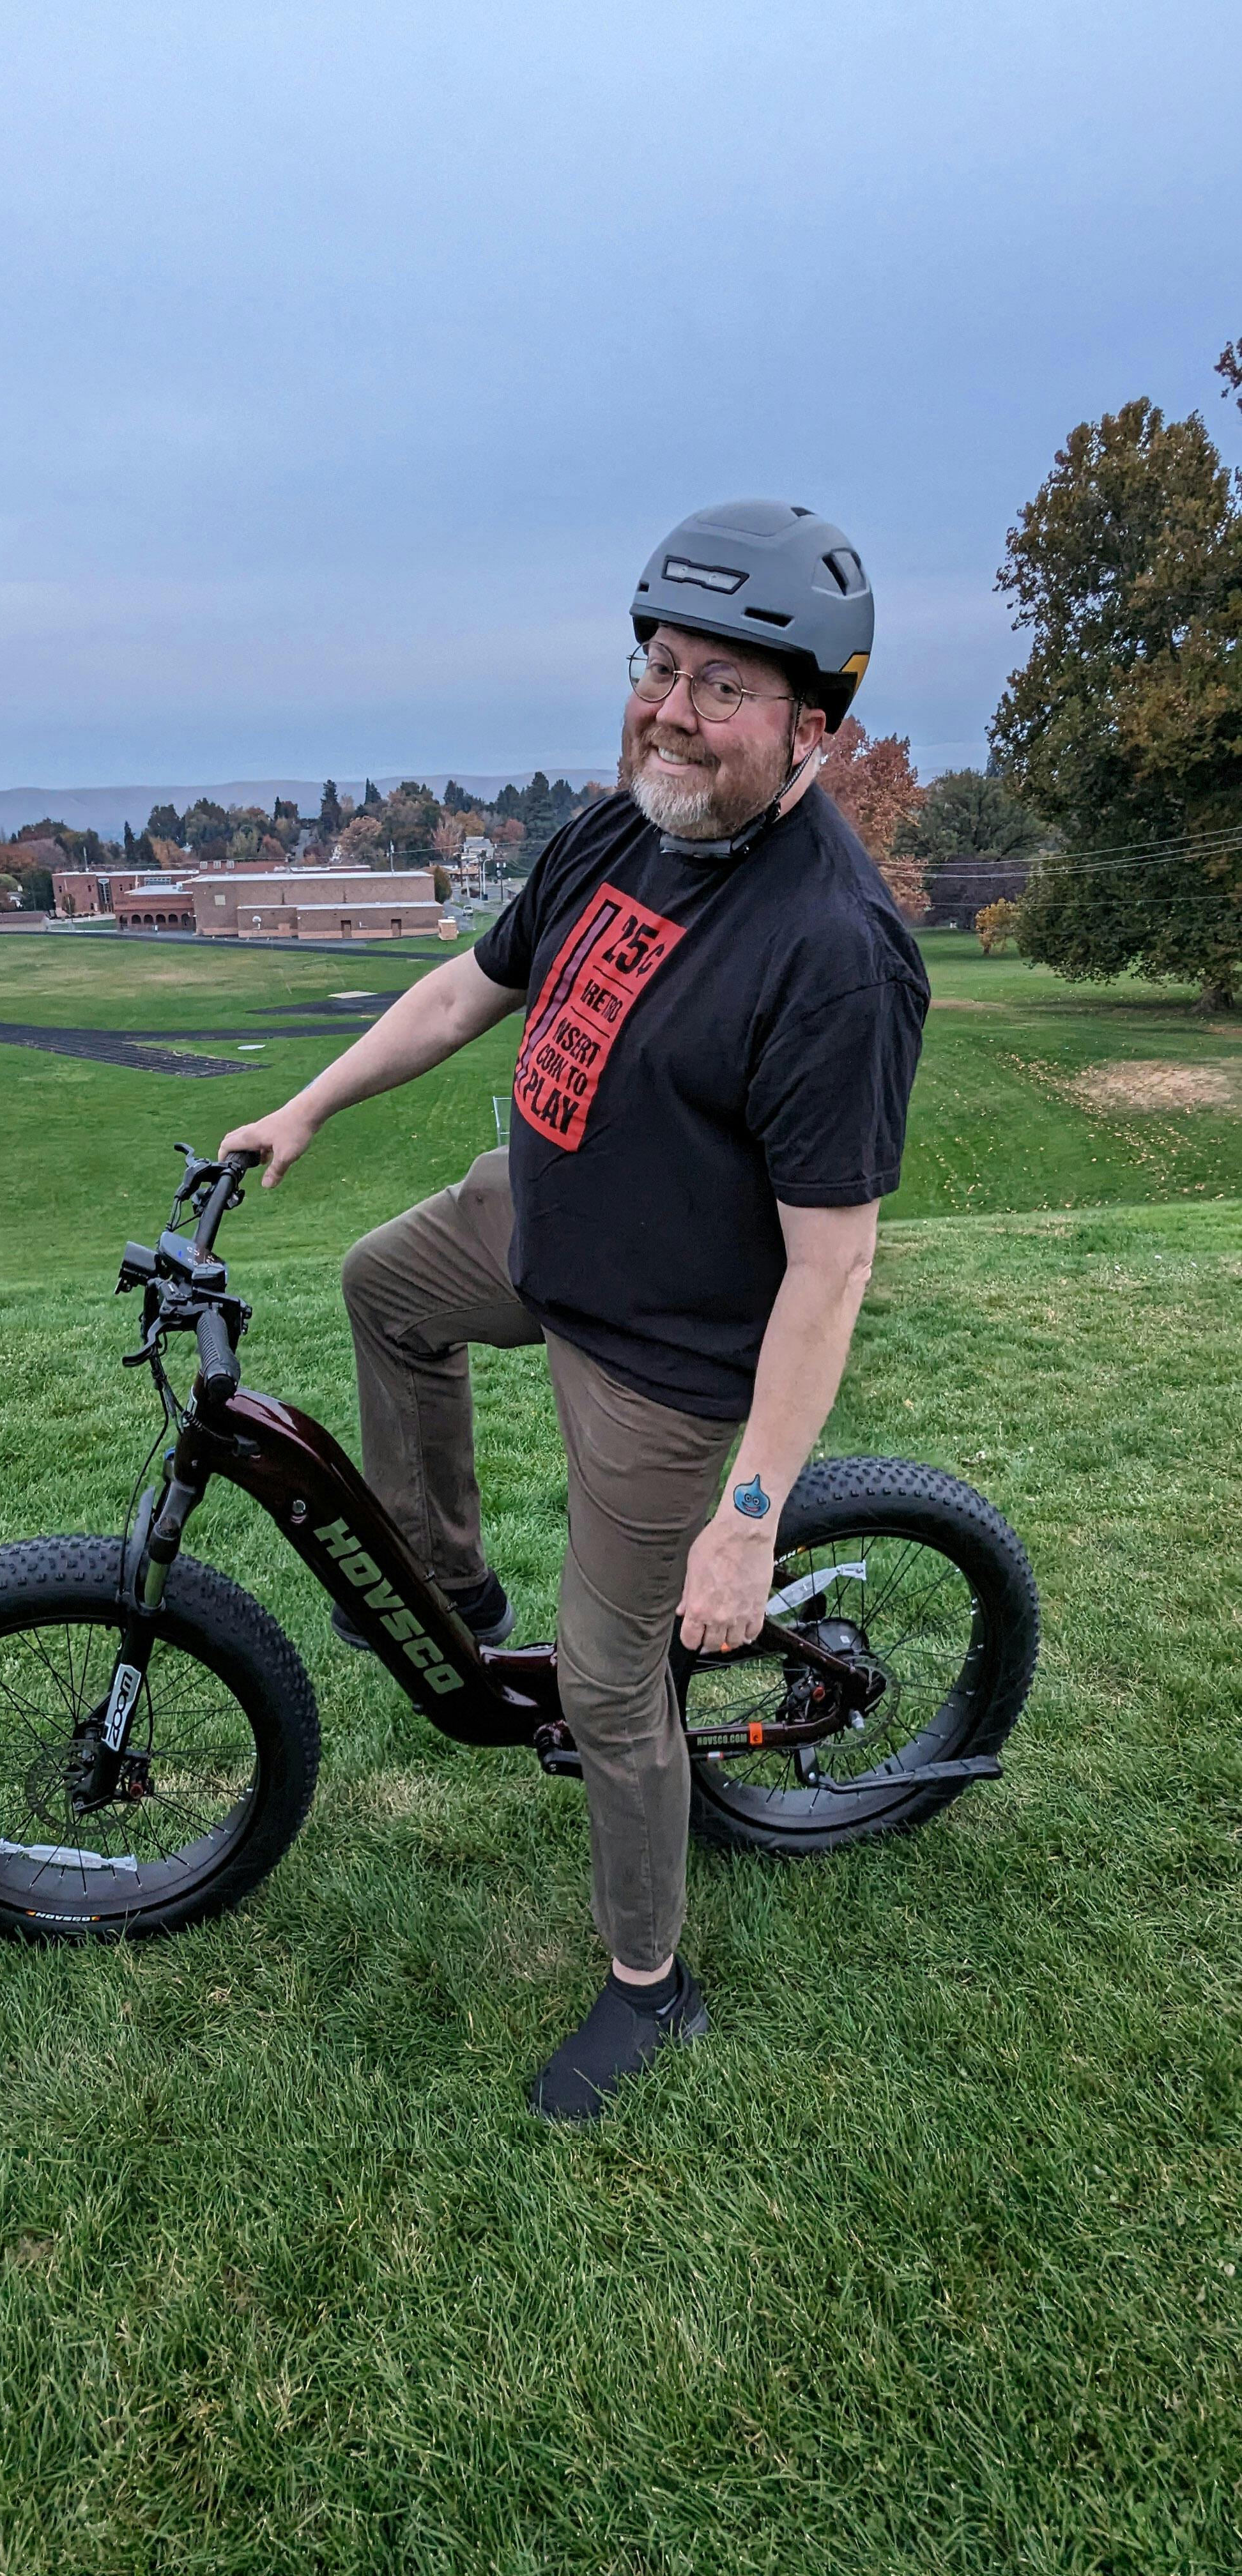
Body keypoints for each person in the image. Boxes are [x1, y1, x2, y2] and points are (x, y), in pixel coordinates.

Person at [222, 498, 929, 2122]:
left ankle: (649, 1988)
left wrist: (747, 1518)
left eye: (723, 687)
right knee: (384, 1285)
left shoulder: (834, 951)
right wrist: (307, 1107)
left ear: (815, 728)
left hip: (666, 1353)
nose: (671, 710)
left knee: (613, 1685)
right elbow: (467, 990)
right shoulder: (621, 828)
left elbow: (832, 1267)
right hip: (536, 1222)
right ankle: (451, 1588)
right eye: (659, 666)